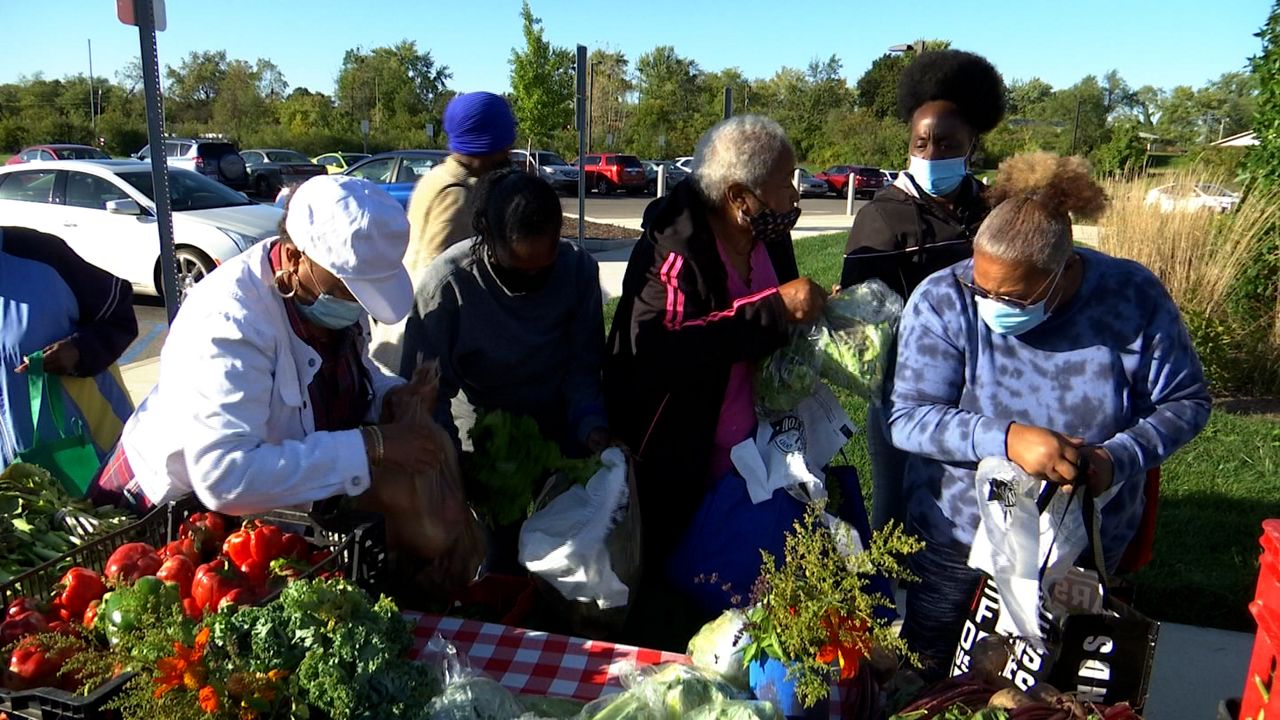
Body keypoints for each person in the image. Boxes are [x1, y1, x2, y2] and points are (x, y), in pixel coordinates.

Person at [885, 152, 1211, 678]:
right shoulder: (945, 298)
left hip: (1078, 551)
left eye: (1011, 295)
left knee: (1055, 692)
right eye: (981, 286)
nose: (989, 303)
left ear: (1062, 272)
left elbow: (1185, 401)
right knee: (932, 679)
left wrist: (1115, 458)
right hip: (960, 539)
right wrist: (1007, 439)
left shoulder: (1131, 297)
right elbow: (909, 418)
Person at [605, 115, 826, 648]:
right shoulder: (677, 251)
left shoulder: (766, 233)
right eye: (786, 180)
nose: (795, 193)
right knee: (686, 598)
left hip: (756, 445)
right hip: (684, 460)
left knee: (761, 587)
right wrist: (774, 311)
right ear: (738, 195)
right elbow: (659, 348)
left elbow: (779, 304)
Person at [106, 175, 439, 514]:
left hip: (261, 512)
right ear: (295, 257)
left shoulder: (320, 295)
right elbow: (226, 474)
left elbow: (348, 371)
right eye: (346, 290)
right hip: (168, 510)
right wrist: (372, 445)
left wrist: (388, 396)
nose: (354, 304)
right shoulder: (230, 320)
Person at [399, 168, 608, 570]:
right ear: (486, 237)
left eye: (542, 270)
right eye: (517, 268)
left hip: (558, 431)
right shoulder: (447, 286)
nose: (531, 279)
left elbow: (583, 369)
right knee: (492, 558)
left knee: (566, 557)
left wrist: (591, 427)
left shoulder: (578, 271)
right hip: (481, 440)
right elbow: (426, 395)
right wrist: (450, 469)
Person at [840, 50, 1006, 536]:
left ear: (972, 144)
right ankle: (888, 597)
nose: (932, 153)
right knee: (894, 507)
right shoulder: (882, 215)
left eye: (946, 142)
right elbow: (859, 322)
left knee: (971, 505)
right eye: (922, 142)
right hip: (904, 389)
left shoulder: (995, 210)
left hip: (984, 388)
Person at [371, 91, 517, 369]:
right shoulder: (458, 196)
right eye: (504, 143)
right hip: (418, 347)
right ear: (488, 143)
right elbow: (438, 280)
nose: (508, 151)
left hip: (399, 324)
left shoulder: (435, 178)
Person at [1, 226, 136, 466]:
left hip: (101, 460)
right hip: (14, 486)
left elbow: (119, 315)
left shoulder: (38, 253)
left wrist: (79, 351)